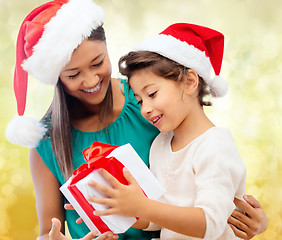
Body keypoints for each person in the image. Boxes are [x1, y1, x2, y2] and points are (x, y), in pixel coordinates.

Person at [5, 0, 267, 239]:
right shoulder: (47, 142)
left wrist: (248, 219)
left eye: (98, 63)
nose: (91, 80)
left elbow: (209, 179)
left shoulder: (150, 101)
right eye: (73, 74)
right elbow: (49, 231)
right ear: (56, 77)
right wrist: (116, 208)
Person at [85, 23, 268, 239]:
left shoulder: (215, 145)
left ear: (190, 82)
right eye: (139, 100)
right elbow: (158, 217)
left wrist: (143, 207)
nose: (145, 109)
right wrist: (118, 206)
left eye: (152, 94)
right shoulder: (160, 145)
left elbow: (210, 224)